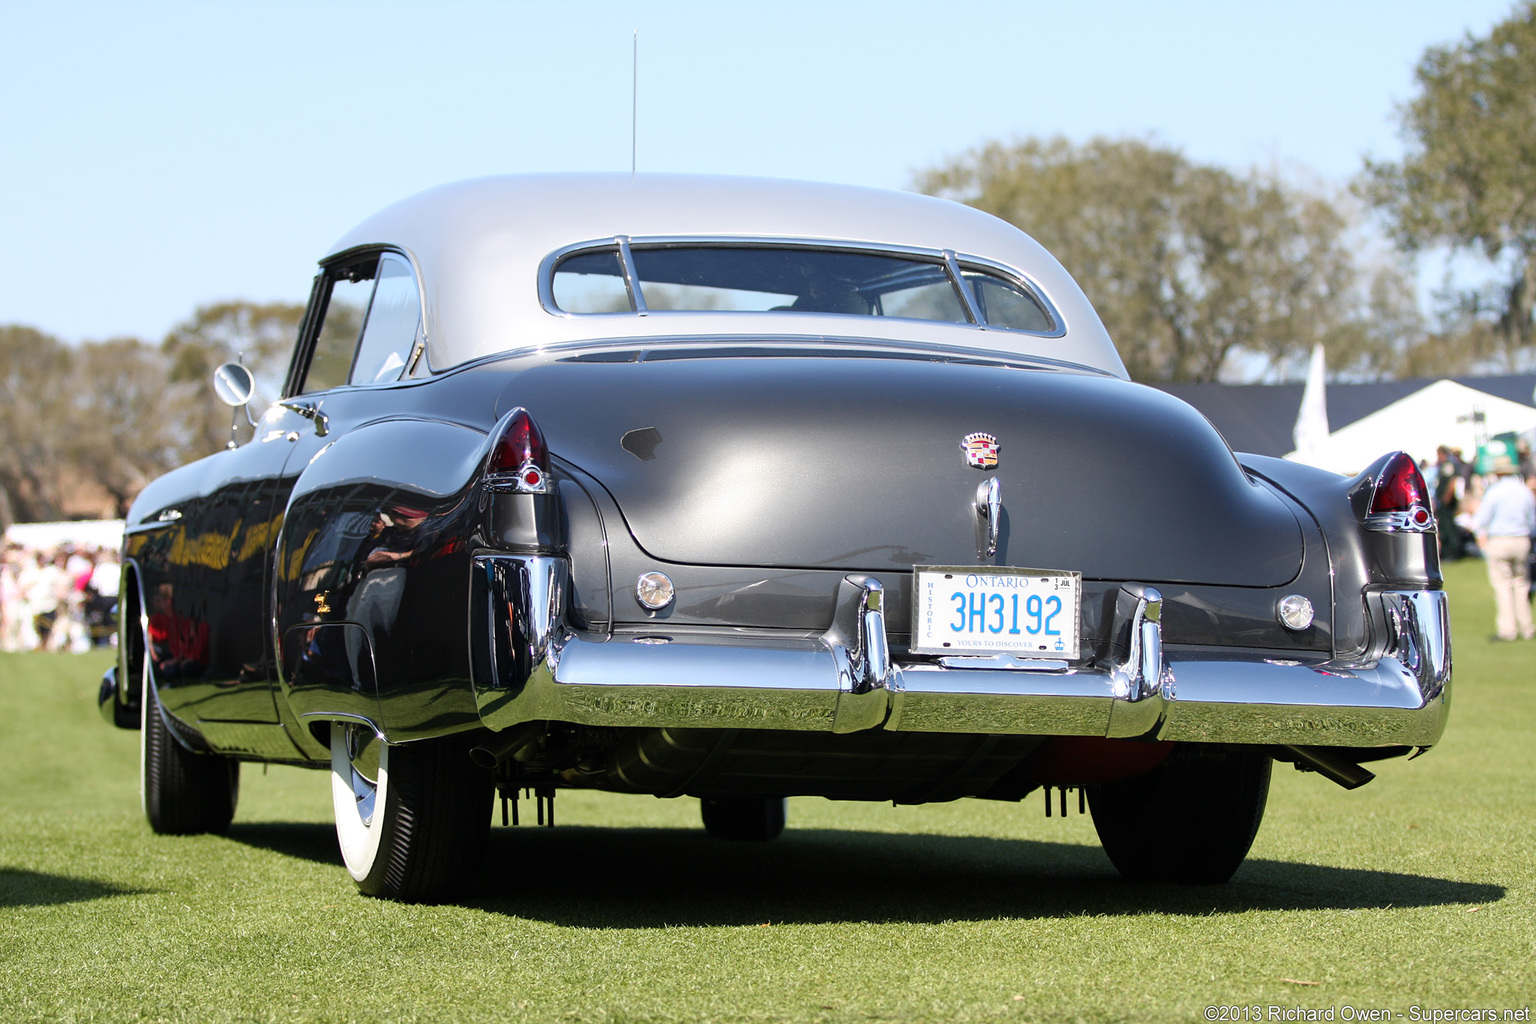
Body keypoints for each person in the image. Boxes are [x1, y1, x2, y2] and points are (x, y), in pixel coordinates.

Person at [1470, 448, 1536, 641]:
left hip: (1500, 539)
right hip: (1521, 538)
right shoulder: (1523, 490)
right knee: (1521, 583)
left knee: (1502, 584)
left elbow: (1482, 519)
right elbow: (1532, 520)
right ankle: (1527, 627)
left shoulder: (1495, 491)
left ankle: (1508, 630)